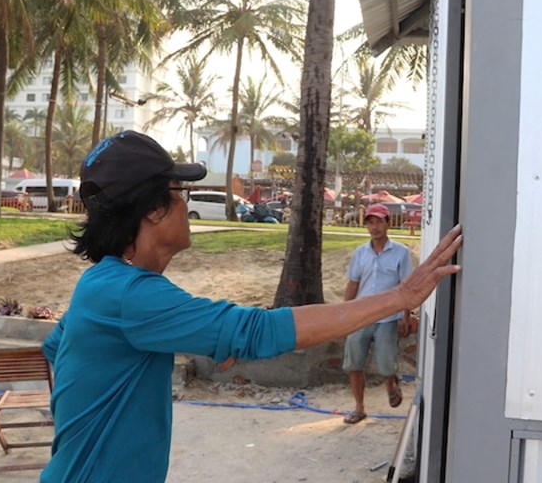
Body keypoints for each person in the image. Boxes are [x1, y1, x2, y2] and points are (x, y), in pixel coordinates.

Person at [40, 130, 463, 482]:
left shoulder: (100, 283)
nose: (186, 203)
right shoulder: (130, 295)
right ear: (152, 209)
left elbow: (56, 348)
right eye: (179, 191)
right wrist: (400, 297)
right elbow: (258, 332)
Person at [341, 203, 413, 424]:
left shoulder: (401, 252)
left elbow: (406, 286)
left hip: (388, 317)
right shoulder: (360, 253)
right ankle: (359, 407)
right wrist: (344, 313)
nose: (375, 227)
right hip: (361, 315)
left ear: (388, 223)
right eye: (370, 222)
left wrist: (405, 315)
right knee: (354, 363)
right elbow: (353, 283)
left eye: (379, 222)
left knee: (385, 364)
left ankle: (392, 383)